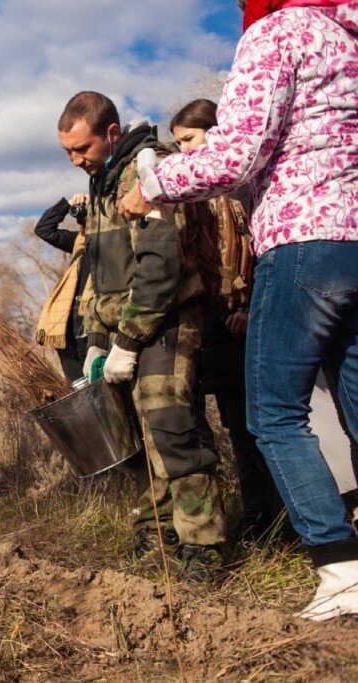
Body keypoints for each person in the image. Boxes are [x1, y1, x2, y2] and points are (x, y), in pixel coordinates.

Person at [120, 0, 358, 619]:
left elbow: (239, 150)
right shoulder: (347, 35)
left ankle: (340, 568)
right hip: (353, 239)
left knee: (274, 412)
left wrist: (150, 187)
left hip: (304, 237)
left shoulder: (280, 30)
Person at [56, 91, 227, 581]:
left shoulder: (151, 168)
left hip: (166, 322)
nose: (74, 160)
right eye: (66, 152)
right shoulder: (103, 180)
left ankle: (204, 545)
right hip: (119, 329)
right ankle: (157, 534)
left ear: (111, 133)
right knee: (137, 440)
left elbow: (161, 264)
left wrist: (129, 340)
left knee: (172, 430)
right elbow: (94, 268)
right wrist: (94, 337)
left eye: (81, 149)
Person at [169, 98, 283, 541]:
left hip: (247, 325)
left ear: (216, 133)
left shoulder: (243, 189)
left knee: (259, 427)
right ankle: (258, 520)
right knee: (235, 431)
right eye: (177, 144)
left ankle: (281, 519)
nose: (184, 153)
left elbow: (263, 253)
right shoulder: (197, 194)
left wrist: (251, 306)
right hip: (211, 328)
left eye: (190, 140)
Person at [33, 193, 89, 382]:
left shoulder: (115, 245)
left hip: (92, 327)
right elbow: (43, 230)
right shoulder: (78, 243)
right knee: (80, 389)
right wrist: (67, 205)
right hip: (67, 329)